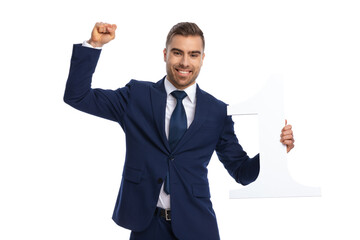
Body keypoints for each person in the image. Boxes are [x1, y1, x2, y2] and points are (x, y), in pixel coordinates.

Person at [64, 22, 295, 240]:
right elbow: (78, 96)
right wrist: (94, 45)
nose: (185, 62)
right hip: (146, 226)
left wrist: (275, 151)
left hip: (197, 227)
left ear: (202, 59)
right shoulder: (136, 97)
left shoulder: (217, 112)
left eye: (193, 54)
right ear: (165, 54)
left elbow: (242, 172)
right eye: (177, 52)